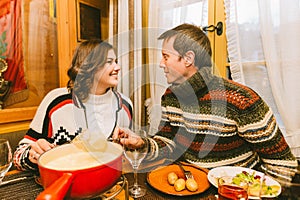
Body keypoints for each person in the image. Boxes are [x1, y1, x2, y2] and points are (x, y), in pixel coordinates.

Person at [117, 23, 298, 181]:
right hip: (190, 185)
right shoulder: (170, 97)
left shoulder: (240, 99)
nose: (161, 64)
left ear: (188, 59)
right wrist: (142, 143)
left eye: (166, 56)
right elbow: (169, 144)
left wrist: (255, 192)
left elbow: (282, 163)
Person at [13, 39, 133, 171]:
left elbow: (131, 156)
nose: (117, 67)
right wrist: (31, 155)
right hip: (66, 186)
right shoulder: (57, 101)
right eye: (109, 62)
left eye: (116, 61)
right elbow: (18, 157)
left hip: (112, 186)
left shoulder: (125, 105)